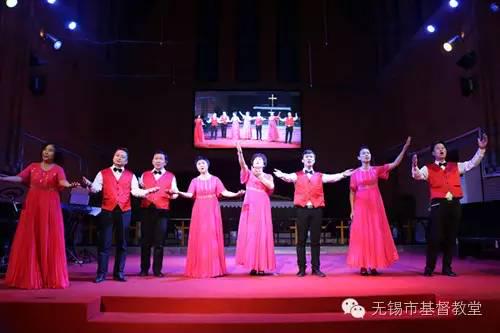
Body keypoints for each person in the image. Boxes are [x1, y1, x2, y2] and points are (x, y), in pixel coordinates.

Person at [1, 143, 79, 289]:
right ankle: (30, 276)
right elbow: (20, 178)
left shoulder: (58, 169)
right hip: (33, 206)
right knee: (31, 237)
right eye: (45, 149)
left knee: (49, 237)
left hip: (50, 207)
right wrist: (4, 179)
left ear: (55, 155)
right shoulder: (33, 166)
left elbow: (63, 182)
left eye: (50, 151)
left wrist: (69, 185)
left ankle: (48, 277)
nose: (46, 152)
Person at [412, 133, 488, 277]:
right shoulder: (427, 168)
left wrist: (481, 150)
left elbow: (472, 163)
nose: (441, 150)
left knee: (451, 237)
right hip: (438, 206)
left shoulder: (455, 166)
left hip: (454, 204)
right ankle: (429, 268)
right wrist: (414, 166)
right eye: (438, 148)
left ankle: (447, 268)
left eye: (443, 148)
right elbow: (417, 176)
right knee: (435, 237)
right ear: (433, 153)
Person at [82, 148, 158, 283]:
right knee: (104, 243)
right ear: (113, 157)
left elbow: (135, 191)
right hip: (107, 210)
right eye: (117, 155)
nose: (119, 158)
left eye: (122, 157)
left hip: (125, 211)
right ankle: (101, 273)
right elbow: (96, 188)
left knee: (122, 244)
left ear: (126, 161)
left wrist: (147, 192)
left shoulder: (131, 175)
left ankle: (119, 273)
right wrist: (89, 185)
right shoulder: (103, 173)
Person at [274, 150, 352, 277]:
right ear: (302, 160)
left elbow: (332, 178)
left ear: (314, 160)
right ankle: (301, 269)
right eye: (306, 157)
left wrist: (343, 174)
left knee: (316, 241)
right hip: (302, 210)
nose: (309, 159)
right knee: (301, 241)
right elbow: (287, 177)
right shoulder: (297, 175)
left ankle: (316, 268)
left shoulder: (320, 176)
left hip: (316, 210)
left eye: (311, 157)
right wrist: (281, 174)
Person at [347, 137, 411, 276]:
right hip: (361, 206)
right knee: (362, 235)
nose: (366, 155)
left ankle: (374, 264)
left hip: (375, 205)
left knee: (376, 233)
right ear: (359, 157)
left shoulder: (376, 170)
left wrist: (404, 149)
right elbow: (352, 192)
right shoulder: (355, 173)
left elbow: (394, 164)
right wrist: (352, 210)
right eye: (363, 153)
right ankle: (363, 265)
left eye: (368, 153)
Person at [172, 156, 244, 278]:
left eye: (203, 163)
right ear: (196, 166)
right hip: (199, 210)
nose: (201, 165)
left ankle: (214, 269)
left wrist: (236, 194)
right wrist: (179, 192)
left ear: (207, 165)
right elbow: (190, 195)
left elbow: (224, 192)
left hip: (212, 210)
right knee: (200, 236)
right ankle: (199, 268)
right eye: (199, 163)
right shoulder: (194, 181)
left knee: (212, 236)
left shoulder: (215, 179)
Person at [235, 142, 275, 275]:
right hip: (250, 206)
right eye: (256, 161)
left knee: (262, 233)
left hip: (262, 206)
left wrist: (261, 176)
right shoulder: (247, 173)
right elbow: (242, 164)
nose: (258, 162)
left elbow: (270, 187)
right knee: (251, 234)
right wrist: (240, 153)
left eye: (260, 161)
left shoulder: (268, 176)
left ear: (264, 164)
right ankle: (252, 265)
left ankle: (262, 266)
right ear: (252, 164)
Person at [138, 150, 178, 277]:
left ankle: (157, 270)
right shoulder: (144, 175)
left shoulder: (171, 176)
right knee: (145, 242)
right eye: (156, 158)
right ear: (152, 161)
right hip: (146, 210)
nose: (158, 161)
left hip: (162, 211)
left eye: (161, 159)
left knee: (159, 243)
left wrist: (173, 195)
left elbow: (175, 193)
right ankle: (144, 269)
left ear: (165, 162)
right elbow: (138, 191)